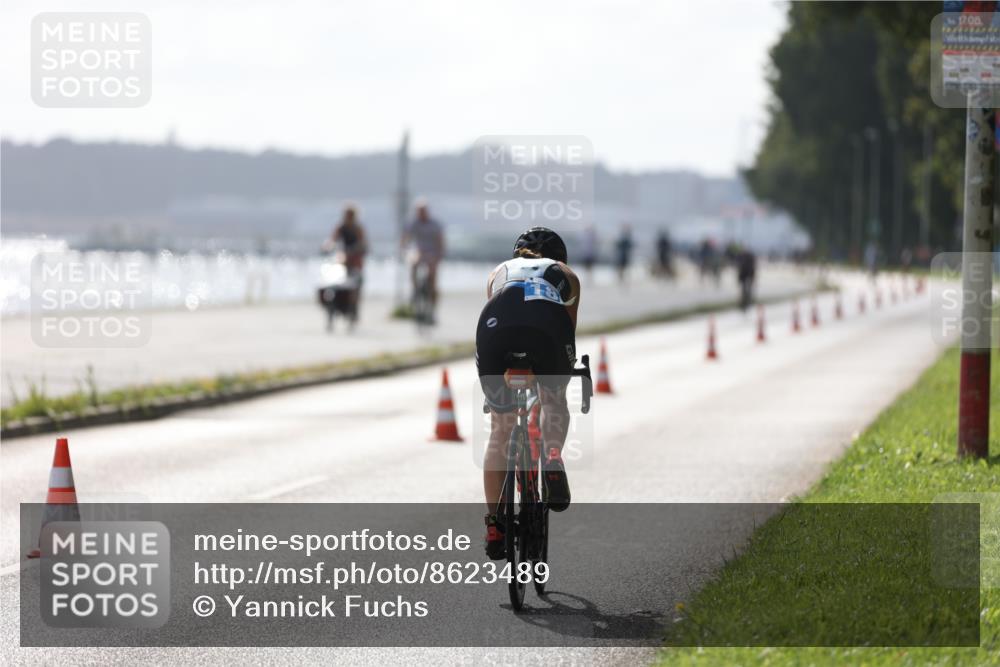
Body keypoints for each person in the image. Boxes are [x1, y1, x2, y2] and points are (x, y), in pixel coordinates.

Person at [476, 227, 580, 559]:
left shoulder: (498, 271)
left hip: (495, 328)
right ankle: (551, 458)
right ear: (560, 257)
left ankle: (495, 523)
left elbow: (500, 309)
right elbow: (568, 330)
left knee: (500, 428)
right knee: (554, 398)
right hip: (546, 329)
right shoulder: (565, 275)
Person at [401, 200, 445, 316]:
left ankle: (432, 306)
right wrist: (404, 248)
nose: (421, 214)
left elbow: (440, 241)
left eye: (423, 211)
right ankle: (415, 289)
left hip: (432, 252)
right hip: (419, 251)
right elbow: (406, 237)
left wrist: (439, 255)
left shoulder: (434, 224)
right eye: (419, 211)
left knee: (433, 278)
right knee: (413, 264)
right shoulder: (414, 223)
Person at [324, 203, 367, 317]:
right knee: (333, 278)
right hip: (342, 258)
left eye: (350, 215)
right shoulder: (341, 227)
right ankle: (334, 303)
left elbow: (362, 243)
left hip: (355, 258)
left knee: (356, 282)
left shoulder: (357, 228)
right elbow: (332, 240)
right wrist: (327, 246)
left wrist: (357, 250)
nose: (348, 217)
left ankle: (354, 306)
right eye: (346, 215)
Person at [735, 244, 757, 312]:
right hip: (743, 275)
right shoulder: (740, 256)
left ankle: (748, 301)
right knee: (743, 289)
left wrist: (753, 276)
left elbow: (753, 266)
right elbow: (738, 266)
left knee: (749, 289)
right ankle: (744, 301)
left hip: (749, 274)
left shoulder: (750, 256)